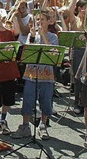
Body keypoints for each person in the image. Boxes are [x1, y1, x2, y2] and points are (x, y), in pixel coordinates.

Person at [12, 12, 57, 140]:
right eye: (38, 19)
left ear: (49, 21)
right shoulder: (33, 35)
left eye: (42, 19)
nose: (40, 22)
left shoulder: (53, 36)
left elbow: (53, 53)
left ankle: (43, 125)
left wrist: (43, 35)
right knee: (28, 100)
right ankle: (25, 126)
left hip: (47, 74)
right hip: (31, 73)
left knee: (46, 101)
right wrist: (32, 36)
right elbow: (27, 51)